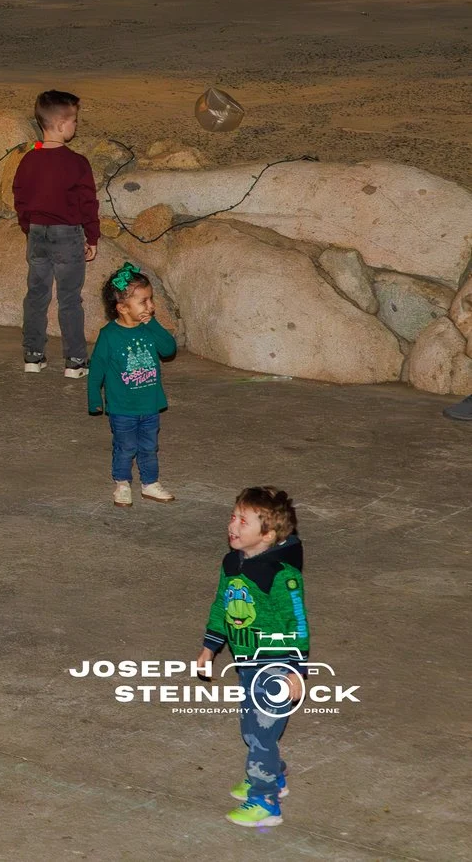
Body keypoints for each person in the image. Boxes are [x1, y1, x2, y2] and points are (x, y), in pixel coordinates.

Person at [192, 486, 308, 830]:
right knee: (253, 729)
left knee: (259, 733)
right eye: (233, 516)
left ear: (268, 535)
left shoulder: (280, 576)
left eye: (244, 521)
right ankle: (273, 773)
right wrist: (209, 647)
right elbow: (222, 607)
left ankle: (265, 800)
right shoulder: (232, 562)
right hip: (246, 664)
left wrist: (297, 670)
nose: (233, 525)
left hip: (275, 665)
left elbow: (297, 623)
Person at [13, 89, 99, 377]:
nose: (76, 126)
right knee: (69, 299)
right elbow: (88, 204)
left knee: (36, 295)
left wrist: (28, 227)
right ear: (62, 125)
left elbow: (20, 198)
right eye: (74, 120)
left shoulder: (28, 161)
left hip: (37, 234)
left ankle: (33, 356)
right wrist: (93, 237)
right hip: (67, 236)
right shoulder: (77, 163)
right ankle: (75, 361)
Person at [89, 262, 178, 506]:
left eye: (151, 300)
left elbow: (169, 349)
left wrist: (152, 323)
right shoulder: (109, 335)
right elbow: (96, 368)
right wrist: (94, 397)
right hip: (122, 407)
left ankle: (150, 483)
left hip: (149, 404)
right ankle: (122, 483)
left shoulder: (149, 329)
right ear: (122, 308)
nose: (151, 306)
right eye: (144, 301)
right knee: (126, 447)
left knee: (149, 447)